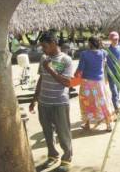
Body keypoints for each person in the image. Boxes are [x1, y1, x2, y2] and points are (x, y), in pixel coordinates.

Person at [29, 32, 73, 172]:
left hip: (60, 102)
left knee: (63, 132)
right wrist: (34, 99)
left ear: (54, 43)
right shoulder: (44, 58)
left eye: (45, 46)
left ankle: (66, 159)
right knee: (47, 132)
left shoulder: (66, 60)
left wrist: (50, 69)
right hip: (44, 102)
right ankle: (52, 155)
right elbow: (41, 80)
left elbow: (67, 82)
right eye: (41, 46)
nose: (42, 49)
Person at [75, 36, 115, 131]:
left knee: (87, 102)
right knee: (102, 102)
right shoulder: (103, 53)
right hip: (99, 83)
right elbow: (103, 65)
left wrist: (75, 74)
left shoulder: (84, 54)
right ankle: (108, 124)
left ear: (90, 44)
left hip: (87, 83)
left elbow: (80, 69)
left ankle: (87, 124)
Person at [107, 31, 120, 112]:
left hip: (119, 73)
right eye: (114, 39)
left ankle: (116, 105)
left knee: (118, 90)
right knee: (114, 91)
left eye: (117, 39)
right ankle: (116, 109)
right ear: (110, 39)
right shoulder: (107, 49)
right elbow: (104, 62)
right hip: (111, 74)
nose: (116, 40)